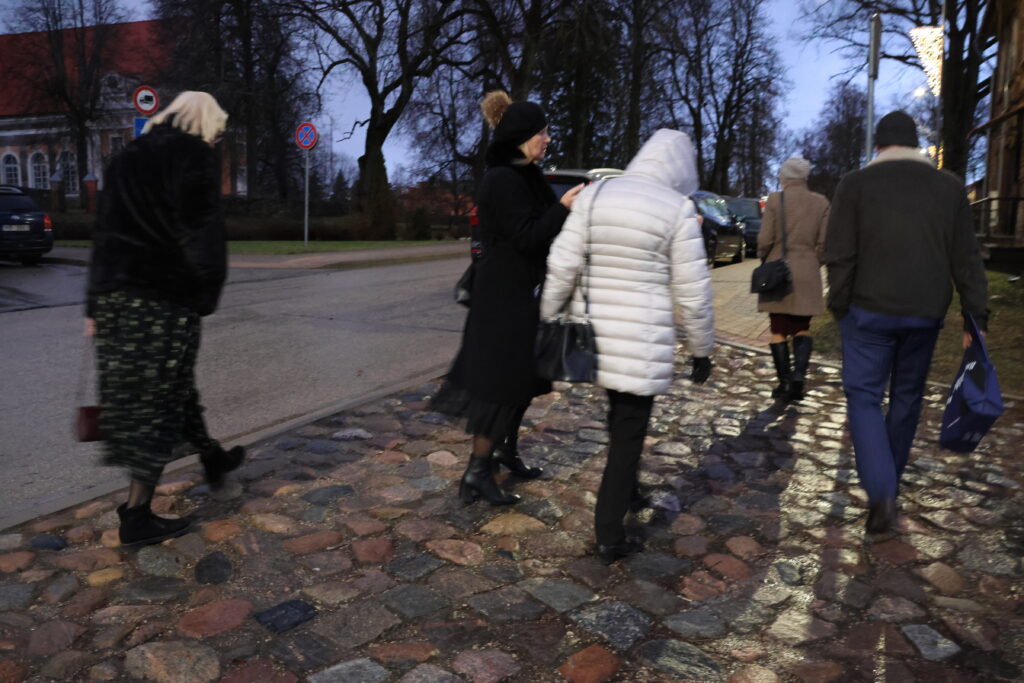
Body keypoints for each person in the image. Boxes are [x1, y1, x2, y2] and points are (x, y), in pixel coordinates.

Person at [541, 129, 715, 564]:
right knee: (629, 432)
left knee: (620, 419)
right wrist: (701, 349)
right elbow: (693, 291)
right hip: (641, 339)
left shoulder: (597, 194)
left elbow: (562, 262)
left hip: (597, 335)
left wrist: (548, 315)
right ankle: (609, 531)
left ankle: (630, 490)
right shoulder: (677, 208)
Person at [85, 91, 244, 547]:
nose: (214, 140)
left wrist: (94, 305)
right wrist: (205, 294)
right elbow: (202, 233)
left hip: (116, 298)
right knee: (158, 405)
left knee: (174, 387)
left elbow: (105, 233)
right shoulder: (191, 155)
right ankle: (136, 515)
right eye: (215, 131)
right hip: (163, 298)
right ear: (203, 123)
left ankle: (212, 458)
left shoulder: (124, 159)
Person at [825, 110, 989, 534]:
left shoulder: (855, 184)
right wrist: (975, 317)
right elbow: (966, 258)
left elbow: (839, 253)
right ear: (916, 145)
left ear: (878, 145)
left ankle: (882, 493)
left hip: (866, 311)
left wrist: (839, 305)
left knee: (864, 397)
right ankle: (889, 488)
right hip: (924, 313)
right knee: (906, 399)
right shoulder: (948, 187)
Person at [431, 90, 582, 505]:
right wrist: (563, 208)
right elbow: (526, 236)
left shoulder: (525, 174)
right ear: (521, 136)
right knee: (501, 385)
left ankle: (504, 451)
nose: (547, 139)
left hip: (525, 293)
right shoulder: (502, 179)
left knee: (523, 382)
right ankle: (477, 472)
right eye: (541, 132)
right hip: (503, 298)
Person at [757, 157, 830, 401]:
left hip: (778, 270)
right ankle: (799, 376)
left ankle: (784, 383)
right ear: (805, 177)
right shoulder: (821, 202)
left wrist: (765, 258)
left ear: (784, 176)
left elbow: (764, 239)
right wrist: (812, 262)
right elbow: (824, 243)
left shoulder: (775, 200)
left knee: (778, 327)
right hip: (807, 270)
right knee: (802, 327)